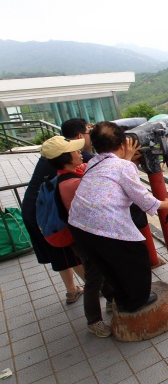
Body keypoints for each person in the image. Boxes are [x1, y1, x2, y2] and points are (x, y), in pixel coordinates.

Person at [68, 122, 168, 312]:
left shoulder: (93, 162)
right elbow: (141, 197)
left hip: (79, 225)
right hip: (105, 226)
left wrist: (125, 157)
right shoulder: (124, 167)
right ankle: (136, 301)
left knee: (109, 266)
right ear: (123, 143)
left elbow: (113, 170)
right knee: (137, 258)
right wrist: (165, 204)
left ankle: (122, 299)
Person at [41, 136, 113, 337]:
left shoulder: (67, 175)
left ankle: (111, 301)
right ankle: (94, 321)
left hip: (82, 236)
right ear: (65, 157)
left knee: (100, 270)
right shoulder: (72, 184)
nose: (79, 152)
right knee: (93, 278)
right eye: (74, 150)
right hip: (85, 239)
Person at [22, 118, 92, 305]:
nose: (79, 150)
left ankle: (71, 290)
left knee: (58, 253)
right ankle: (95, 288)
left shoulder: (52, 155)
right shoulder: (69, 160)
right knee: (67, 250)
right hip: (48, 217)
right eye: (87, 131)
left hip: (36, 209)